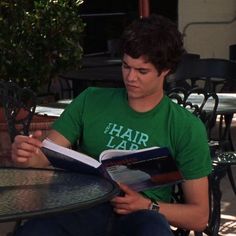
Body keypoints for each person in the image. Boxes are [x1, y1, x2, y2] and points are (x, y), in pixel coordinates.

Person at [12, 14, 212, 236]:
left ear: (165, 71)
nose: (130, 77)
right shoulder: (91, 100)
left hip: (142, 215)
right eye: (126, 66)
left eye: (142, 71)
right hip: (82, 206)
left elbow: (199, 217)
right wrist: (28, 154)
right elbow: (45, 154)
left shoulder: (185, 126)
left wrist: (147, 205)